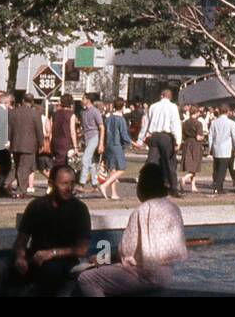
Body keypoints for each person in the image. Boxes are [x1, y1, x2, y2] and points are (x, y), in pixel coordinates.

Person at [76, 163, 188, 297]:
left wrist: (101, 259)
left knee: (87, 278)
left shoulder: (143, 210)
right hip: (166, 274)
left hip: (146, 275)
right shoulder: (172, 207)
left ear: (143, 186)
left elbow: (128, 250)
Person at [0, 164, 91, 296]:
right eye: (64, 184)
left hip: (62, 260)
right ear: (51, 183)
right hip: (35, 255)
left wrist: (51, 253)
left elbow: (81, 249)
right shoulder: (37, 206)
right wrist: (20, 257)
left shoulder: (79, 209)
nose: (69, 188)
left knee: (50, 271)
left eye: (71, 184)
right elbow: (21, 240)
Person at [137, 89, 182, 196]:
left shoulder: (153, 106)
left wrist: (141, 138)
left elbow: (146, 123)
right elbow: (175, 124)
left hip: (154, 136)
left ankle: (147, 184)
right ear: (170, 97)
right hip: (166, 136)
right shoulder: (173, 107)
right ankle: (173, 188)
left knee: (152, 162)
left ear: (162, 96)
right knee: (170, 162)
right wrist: (178, 140)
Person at [100, 99, 138, 200]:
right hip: (116, 145)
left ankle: (114, 193)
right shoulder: (121, 119)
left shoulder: (108, 119)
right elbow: (124, 135)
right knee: (121, 168)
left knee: (112, 169)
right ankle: (105, 185)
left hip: (108, 145)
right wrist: (134, 143)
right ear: (123, 106)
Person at [8, 93, 43, 198]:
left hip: (16, 143)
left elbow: (9, 128)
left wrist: (9, 140)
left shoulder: (14, 113)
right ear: (32, 102)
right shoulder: (35, 114)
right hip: (29, 145)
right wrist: (41, 143)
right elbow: (39, 130)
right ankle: (20, 190)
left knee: (18, 166)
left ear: (23, 101)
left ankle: (8, 183)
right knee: (24, 168)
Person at [208, 106, 235, 194]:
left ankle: (217, 185)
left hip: (216, 147)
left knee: (216, 168)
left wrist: (210, 147)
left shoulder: (214, 122)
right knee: (222, 170)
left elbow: (210, 136)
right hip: (226, 148)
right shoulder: (231, 123)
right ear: (227, 112)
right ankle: (218, 187)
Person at [78, 95, 104, 189]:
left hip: (94, 137)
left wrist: (101, 143)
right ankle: (94, 184)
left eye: (83, 98)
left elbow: (101, 127)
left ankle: (82, 183)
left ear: (88, 100)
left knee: (85, 159)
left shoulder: (95, 111)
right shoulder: (83, 112)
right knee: (91, 161)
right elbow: (84, 127)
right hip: (86, 138)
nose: (82, 100)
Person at [180, 106, 204, 193]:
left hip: (187, 143)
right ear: (196, 113)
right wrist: (203, 137)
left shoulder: (185, 122)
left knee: (191, 165)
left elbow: (183, 135)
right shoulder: (198, 123)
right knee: (195, 165)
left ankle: (193, 186)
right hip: (195, 144)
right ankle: (184, 178)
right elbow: (198, 137)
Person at [50, 94, 78, 167]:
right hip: (64, 141)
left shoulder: (55, 114)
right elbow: (72, 131)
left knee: (58, 161)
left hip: (55, 141)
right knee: (61, 164)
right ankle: (57, 177)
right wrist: (75, 147)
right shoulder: (71, 115)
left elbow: (51, 129)